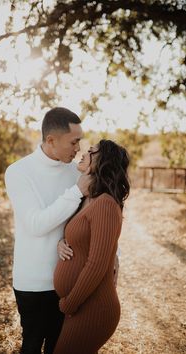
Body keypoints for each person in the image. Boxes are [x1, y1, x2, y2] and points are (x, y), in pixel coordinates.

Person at [4, 107, 91, 354]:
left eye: (80, 141)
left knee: (59, 347)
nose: (78, 149)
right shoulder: (18, 172)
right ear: (51, 140)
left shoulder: (76, 173)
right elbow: (35, 224)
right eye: (74, 142)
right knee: (31, 346)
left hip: (67, 279)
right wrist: (76, 192)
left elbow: (87, 220)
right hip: (32, 282)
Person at [53, 139, 130, 354]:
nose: (84, 152)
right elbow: (79, 237)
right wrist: (61, 242)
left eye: (92, 152)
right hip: (82, 305)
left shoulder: (105, 203)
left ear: (103, 162)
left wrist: (70, 303)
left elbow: (96, 264)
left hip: (94, 308)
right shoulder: (87, 198)